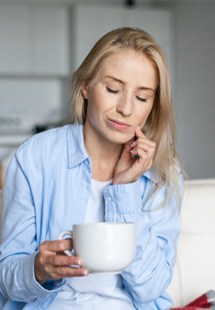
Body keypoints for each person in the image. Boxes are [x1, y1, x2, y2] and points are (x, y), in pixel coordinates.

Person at [0, 27, 184, 309]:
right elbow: (6, 275)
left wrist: (125, 190)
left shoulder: (162, 173)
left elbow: (151, 287)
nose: (126, 108)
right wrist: (37, 269)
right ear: (86, 86)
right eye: (113, 89)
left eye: (142, 97)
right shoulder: (37, 157)